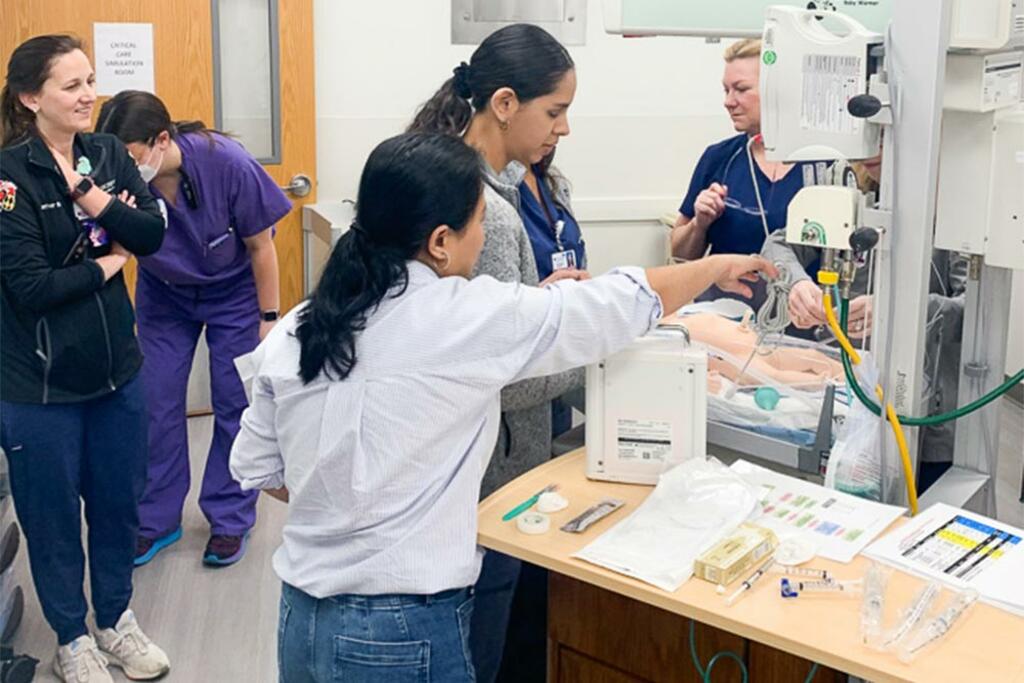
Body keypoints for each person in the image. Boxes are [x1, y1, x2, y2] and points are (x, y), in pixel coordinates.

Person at [229, 130, 777, 682]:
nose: (484, 233)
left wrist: (351, 498)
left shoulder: (299, 326)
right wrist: (713, 268)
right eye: (480, 222)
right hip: (402, 627)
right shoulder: (461, 319)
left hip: (301, 618)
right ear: (441, 240)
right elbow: (611, 306)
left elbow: (260, 470)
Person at [407, 23, 587, 681]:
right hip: (490, 473)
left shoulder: (443, 179)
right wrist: (586, 343)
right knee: (482, 640)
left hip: (464, 465)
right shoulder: (488, 211)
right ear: (505, 103)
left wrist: (537, 304)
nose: (562, 129)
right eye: (555, 111)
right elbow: (501, 374)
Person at [0, 35, 170, 682]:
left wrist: (96, 200)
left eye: (89, 80)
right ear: (29, 97)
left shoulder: (103, 153)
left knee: (118, 504)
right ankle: (72, 638)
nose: (87, 94)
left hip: (115, 373)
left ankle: (116, 621)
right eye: (70, 85)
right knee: (51, 522)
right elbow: (31, 286)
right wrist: (107, 260)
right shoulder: (8, 177)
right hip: (37, 385)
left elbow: (151, 234)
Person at [95, 91, 291, 568]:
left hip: (235, 292)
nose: (121, 165)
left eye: (131, 155)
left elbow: (261, 248)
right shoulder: (113, 174)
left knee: (233, 401)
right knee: (155, 400)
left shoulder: (227, 163)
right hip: (165, 293)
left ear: (162, 140)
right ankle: (157, 519)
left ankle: (229, 519)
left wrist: (269, 320)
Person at [762, 155, 967, 490]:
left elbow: (971, 310)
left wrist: (900, 311)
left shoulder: (959, 200)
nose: (872, 151)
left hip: (926, 403)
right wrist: (796, 284)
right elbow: (780, 244)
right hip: (849, 388)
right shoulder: (844, 179)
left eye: (885, 138)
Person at [670, 39, 818, 265]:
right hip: (725, 299)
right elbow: (680, 254)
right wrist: (699, 224)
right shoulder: (719, 158)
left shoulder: (824, 165)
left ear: (777, 91)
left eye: (741, 89)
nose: (728, 102)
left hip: (801, 297)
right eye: (726, 90)